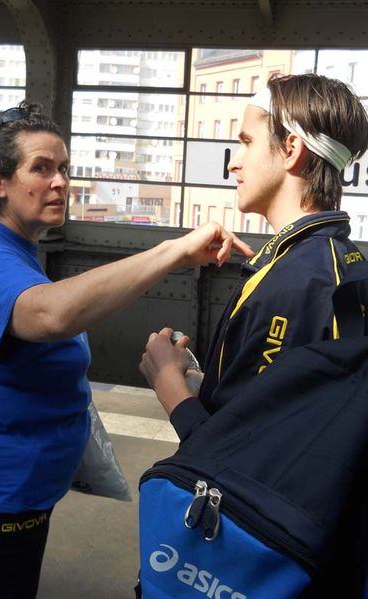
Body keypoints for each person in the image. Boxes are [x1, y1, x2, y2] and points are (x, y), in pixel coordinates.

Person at [0, 100, 253, 599]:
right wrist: (174, 252)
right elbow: (49, 314)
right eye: (41, 168)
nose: (60, 182)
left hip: (19, 483)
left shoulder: (13, 250)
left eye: (64, 169)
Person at [139, 74, 368, 595]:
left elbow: (247, 468)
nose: (233, 162)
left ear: (291, 150)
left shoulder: (292, 284)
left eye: (244, 142)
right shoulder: (338, 263)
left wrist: (170, 384)